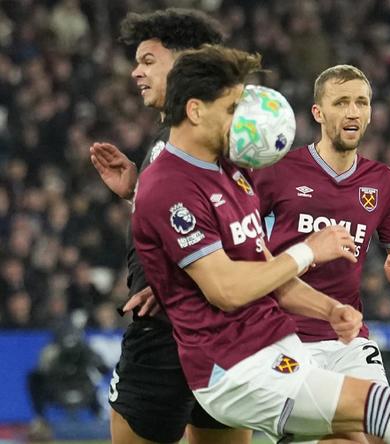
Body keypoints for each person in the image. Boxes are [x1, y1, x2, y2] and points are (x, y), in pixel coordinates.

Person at [132, 44, 390, 444]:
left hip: (277, 341)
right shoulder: (176, 183)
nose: (241, 121)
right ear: (195, 110)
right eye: (232, 109)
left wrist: (330, 309)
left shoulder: (230, 174)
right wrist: (309, 250)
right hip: (234, 365)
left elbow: (262, 267)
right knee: (381, 409)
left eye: (361, 102)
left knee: (368, 429)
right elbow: (226, 289)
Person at [88, 9, 251, 444]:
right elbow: (218, 216)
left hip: (166, 335)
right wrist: (137, 191)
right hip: (223, 334)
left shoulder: (211, 139)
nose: (135, 72)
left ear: (184, 65)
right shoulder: (182, 140)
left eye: (148, 60)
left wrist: (172, 285)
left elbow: (252, 225)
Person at [252, 64, 390, 443]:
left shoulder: (384, 183)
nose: (352, 112)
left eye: (361, 103)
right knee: (345, 434)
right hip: (284, 335)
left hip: (347, 337)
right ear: (318, 112)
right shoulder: (278, 170)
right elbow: (235, 239)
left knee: (385, 430)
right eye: (341, 102)